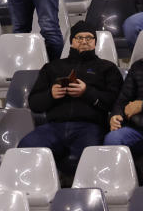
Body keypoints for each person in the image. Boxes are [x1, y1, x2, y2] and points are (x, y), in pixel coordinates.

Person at [18, 22, 123, 175]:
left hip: (90, 127)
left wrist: (87, 92)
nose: (84, 41)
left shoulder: (107, 68)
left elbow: (114, 101)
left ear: (95, 42)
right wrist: (51, 95)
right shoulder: (52, 67)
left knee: (90, 158)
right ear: (72, 42)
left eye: (89, 38)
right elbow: (34, 103)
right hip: (54, 127)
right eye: (79, 37)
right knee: (26, 147)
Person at [105, 55, 143, 160]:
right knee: (113, 139)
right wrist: (115, 116)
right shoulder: (138, 66)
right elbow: (123, 99)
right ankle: (116, 176)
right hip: (138, 127)